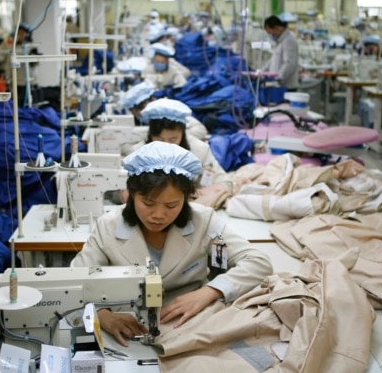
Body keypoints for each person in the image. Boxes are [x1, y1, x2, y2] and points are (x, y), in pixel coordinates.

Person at [71, 142, 273, 346]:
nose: (158, 215)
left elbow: (257, 263)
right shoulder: (108, 226)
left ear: (186, 198)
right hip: (127, 327)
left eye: (171, 205)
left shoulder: (203, 222)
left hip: (191, 323)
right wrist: (102, 314)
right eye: (148, 203)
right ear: (131, 194)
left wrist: (210, 291)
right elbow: (73, 282)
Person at [138, 99, 231, 208]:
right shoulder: (139, 153)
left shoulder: (199, 150)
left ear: (183, 134)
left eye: (173, 140)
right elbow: (118, 190)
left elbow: (226, 183)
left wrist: (203, 192)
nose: (167, 145)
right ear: (150, 136)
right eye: (160, 140)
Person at [263, 15, 299, 90]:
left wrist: (279, 77)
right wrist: (262, 72)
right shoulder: (279, 42)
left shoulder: (289, 41)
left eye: (271, 33)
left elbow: (290, 63)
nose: (271, 35)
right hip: (278, 86)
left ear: (277, 28)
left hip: (286, 87)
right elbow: (272, 61)